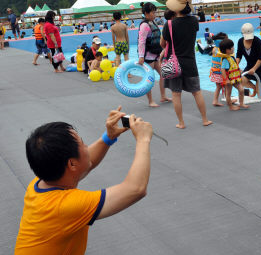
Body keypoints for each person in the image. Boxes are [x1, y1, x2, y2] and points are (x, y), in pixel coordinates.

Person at [15, 107, 153, 254]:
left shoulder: (42, 181)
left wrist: (109, 137)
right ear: (72, 164)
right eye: (82, 143)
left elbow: (86, 164)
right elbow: (135, 189)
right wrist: (143, 140)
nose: (87, 146)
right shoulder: (65, 207)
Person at [161, 0, 212, 129]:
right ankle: (205, 119)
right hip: (190, 62)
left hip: (173, 63)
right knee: (196, 92)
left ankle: (181, 122)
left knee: (176, 94)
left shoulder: (169, 24)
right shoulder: (194, 21)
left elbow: (163, 44)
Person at [138, 2, 172, 107]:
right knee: (149, 79)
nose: (155, 14)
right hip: (148, 57)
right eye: (153, 12)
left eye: (155, 12)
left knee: (163, 75)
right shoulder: (144, 25)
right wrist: (141, 57)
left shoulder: (153, 22)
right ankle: (150, 101)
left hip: (155, 55)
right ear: (146, 13)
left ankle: (163, 96)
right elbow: (141, 42)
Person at [236, 23, 261, 100]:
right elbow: (238, 56)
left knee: (259, 91)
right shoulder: (240, 41)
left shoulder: (258, 42)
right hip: (249, 66)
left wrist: (254, 69)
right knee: (241, 81)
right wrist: (235, 65)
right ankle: (254, 88)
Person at [219, 39, 249, 111]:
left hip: (235, 78)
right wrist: (226, 79)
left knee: (241, 90)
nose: (233, 48)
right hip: (229, 79)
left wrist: (240, 71)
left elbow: (234, 66)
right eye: (232, 47)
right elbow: (222, 70)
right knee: (228, 94)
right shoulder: (225, 60)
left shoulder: (232, 57)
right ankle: (231, 107)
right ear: (227, 50)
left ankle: (241, 103)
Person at [209, 32, 228, 106]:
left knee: (218, 87)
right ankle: (227, 99)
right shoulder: (221, 51)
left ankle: (216, 100)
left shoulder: (214, 49)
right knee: (226, 86)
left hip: (215, 72)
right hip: (220, 73)